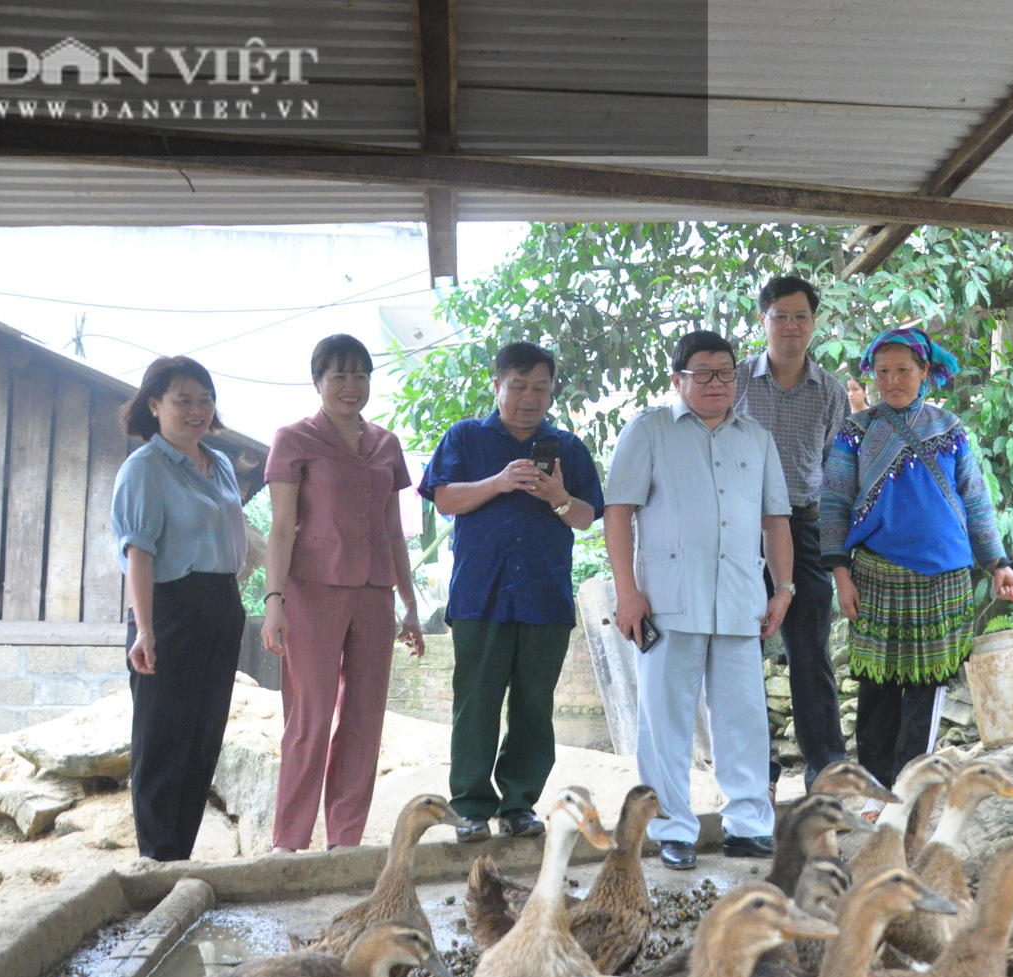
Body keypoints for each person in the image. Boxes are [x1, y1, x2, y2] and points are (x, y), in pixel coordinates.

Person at [607, 330, 793, 870]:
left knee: (744, 718)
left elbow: (775, 520)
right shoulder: (649, 430)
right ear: (678, 379)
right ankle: (671, 829)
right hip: (666, 601)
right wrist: (626, 592)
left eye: (726, 373)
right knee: (663, 721)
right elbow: (618, 511)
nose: (717, 383)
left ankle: (748, 825)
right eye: (703, 373)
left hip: (740, 599)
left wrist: (783, 589)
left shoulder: (755, 438)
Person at [417, 343, 604, 843]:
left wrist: (558, 497)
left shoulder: (568, 447)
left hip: (545, 596)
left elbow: (588, 518)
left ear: (550, 392)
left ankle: (519, 803)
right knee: (474, 703)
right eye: (518, 385)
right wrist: (500, 482)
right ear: (497, 386)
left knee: (533, 706)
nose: (529, 397)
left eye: (540, 387)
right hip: (481, 594)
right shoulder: (464, 437)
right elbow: (444, 498)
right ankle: (472, 806)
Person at [821, 328, 1013, 787]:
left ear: (925, 372)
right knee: (877, 688)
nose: (891, 382)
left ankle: (910, 786)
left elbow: (975, 501)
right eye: (883, 372)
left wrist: (998, 564)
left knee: (926, 690)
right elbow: (833, 502)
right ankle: (875, 786)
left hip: (944, 580)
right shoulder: (857, 431)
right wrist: (840, 575)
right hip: (874, 577)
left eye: (903, 371)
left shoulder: (950, 430)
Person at [261, 334, 425, 851]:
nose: (350, 386)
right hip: (311, 593)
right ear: (318, 382)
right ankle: (288, 842)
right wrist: (274, 603)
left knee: (364, 718)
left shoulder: (386, 445)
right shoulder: (294, 439)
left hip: (375, 595)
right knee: (310, 715)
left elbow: (395, 530)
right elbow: (281, 527)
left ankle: (345, 841)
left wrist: (410, 605)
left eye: (360, 375)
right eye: (339, 375)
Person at [109, 356, 248, 862]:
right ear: (154, 405)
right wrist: (144, 630)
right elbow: (137, 554)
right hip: (168, 610)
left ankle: (178, 857)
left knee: (203, 737)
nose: (196, 410)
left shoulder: (222, 462)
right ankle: (156, 859)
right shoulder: (143, 468)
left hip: (220, 605)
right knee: (162, 739)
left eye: (205, 399)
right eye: (182, 400)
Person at [733, 275, 851, 786]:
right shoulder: (733, 380)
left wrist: (835, 552)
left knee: (810, 648)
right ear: (763, 321)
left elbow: (835, 470)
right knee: (740, 650)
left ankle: (825, 764)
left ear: (814, 324)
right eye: (780, 315)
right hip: (736, 528)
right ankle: (757, 767)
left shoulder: (829, 392)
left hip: (802, 526)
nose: (790, 326)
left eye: (800, 316)